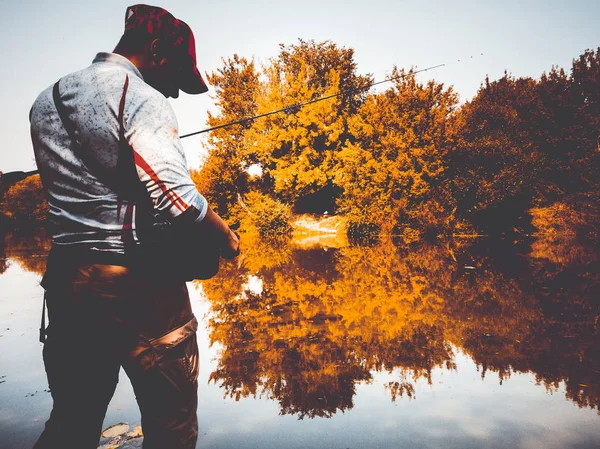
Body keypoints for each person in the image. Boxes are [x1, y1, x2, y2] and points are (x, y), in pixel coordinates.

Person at [29, 4, 239, 449]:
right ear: (157, 49)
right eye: (177, 75)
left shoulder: (45, 100)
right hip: (139, 285)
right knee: (173, 430)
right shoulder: (142, 98)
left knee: (70, 424)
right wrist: (225, 237)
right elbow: (175, 197)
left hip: (67, 284)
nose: (176, 94)